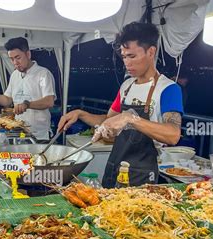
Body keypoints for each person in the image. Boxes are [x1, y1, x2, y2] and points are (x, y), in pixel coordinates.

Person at [58, 22, 184, 187]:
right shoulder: (127, 86)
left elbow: (173, 134)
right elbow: (108, 120)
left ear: (151, 52)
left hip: (142, 175)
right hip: (114, 167)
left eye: (132, 56)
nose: (127, 63)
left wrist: (130, 118)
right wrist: (81, 114)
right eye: (124, 56)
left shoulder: (167, 89)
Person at [0, 37, 56, 140]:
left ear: (28, 54)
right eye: (12, 59)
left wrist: (27, 104)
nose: (15, 62)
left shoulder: (43, 74)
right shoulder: (15, 75)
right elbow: (7, 99)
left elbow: (49, 101)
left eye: (18, 57)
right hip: (18, 132)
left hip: (38, 135)